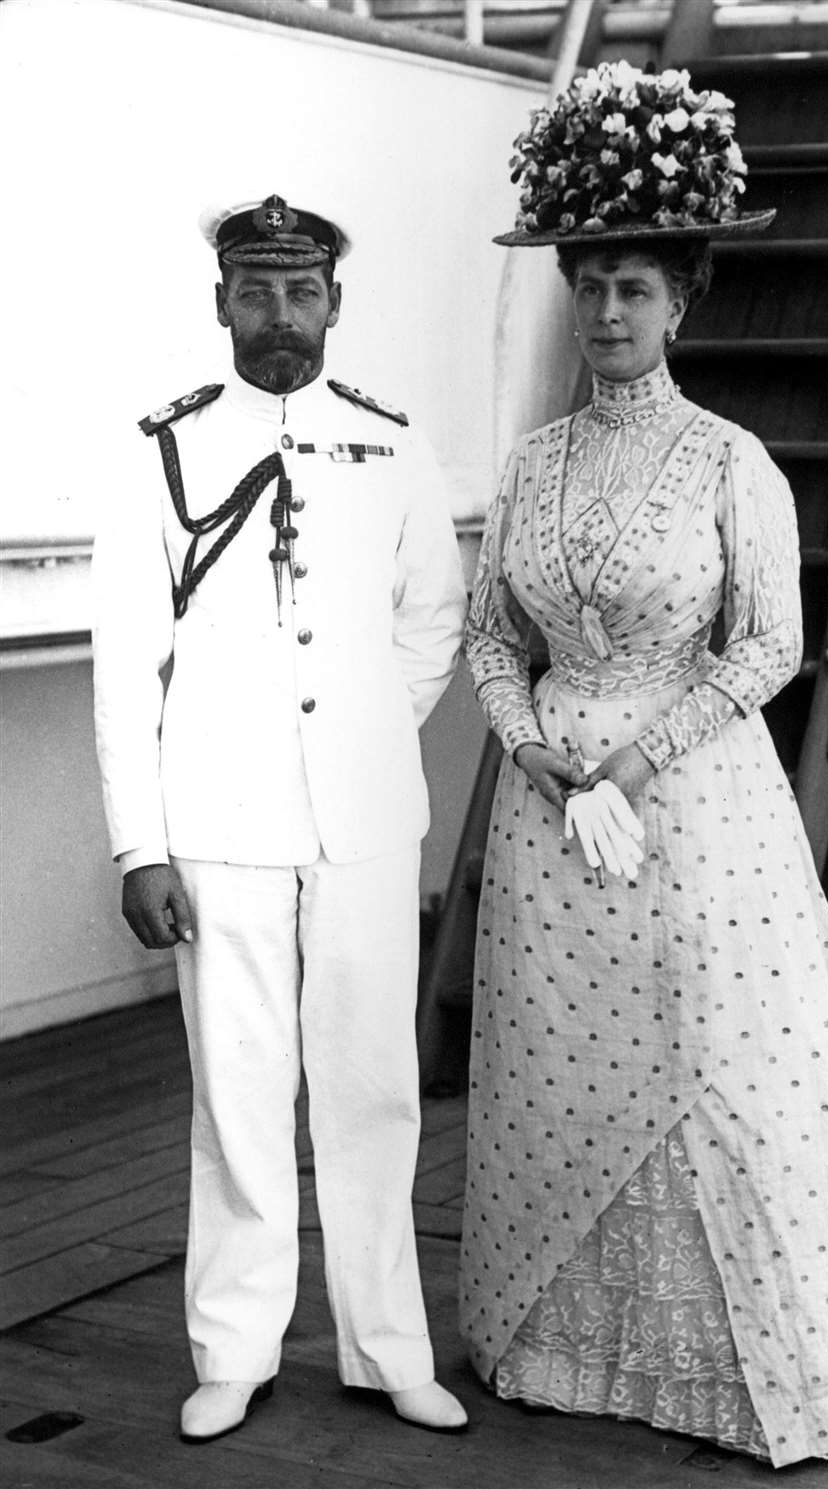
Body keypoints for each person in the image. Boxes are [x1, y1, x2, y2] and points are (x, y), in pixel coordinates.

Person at [459, 63, 828, 1469]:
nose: (608, 311)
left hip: (698, 810)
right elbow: (492, 638)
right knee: (562, 1073)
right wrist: (543, 755)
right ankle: (566, 1345)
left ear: (684, 304)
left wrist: (634, 761)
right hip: (552, 826)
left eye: (635, 289)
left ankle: (747, 1360)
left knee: (716, 1063)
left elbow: (772, 643)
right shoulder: (533, 466)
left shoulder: (733, 466)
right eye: (591, 283)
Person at [92, 195, 469, 1443]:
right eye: (255, 290)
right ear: (220, 304)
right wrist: (139, 843)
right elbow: (125, 664)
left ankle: (387, 1348)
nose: (279, 315)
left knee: (374, 1090)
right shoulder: (166, 448)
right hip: (219, 821)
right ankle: (235, 1348)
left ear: (335, 303)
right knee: (238, 1095)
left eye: (300, 291)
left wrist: (358, 729)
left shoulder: (393, 446)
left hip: (363, 821)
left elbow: (431, 621)